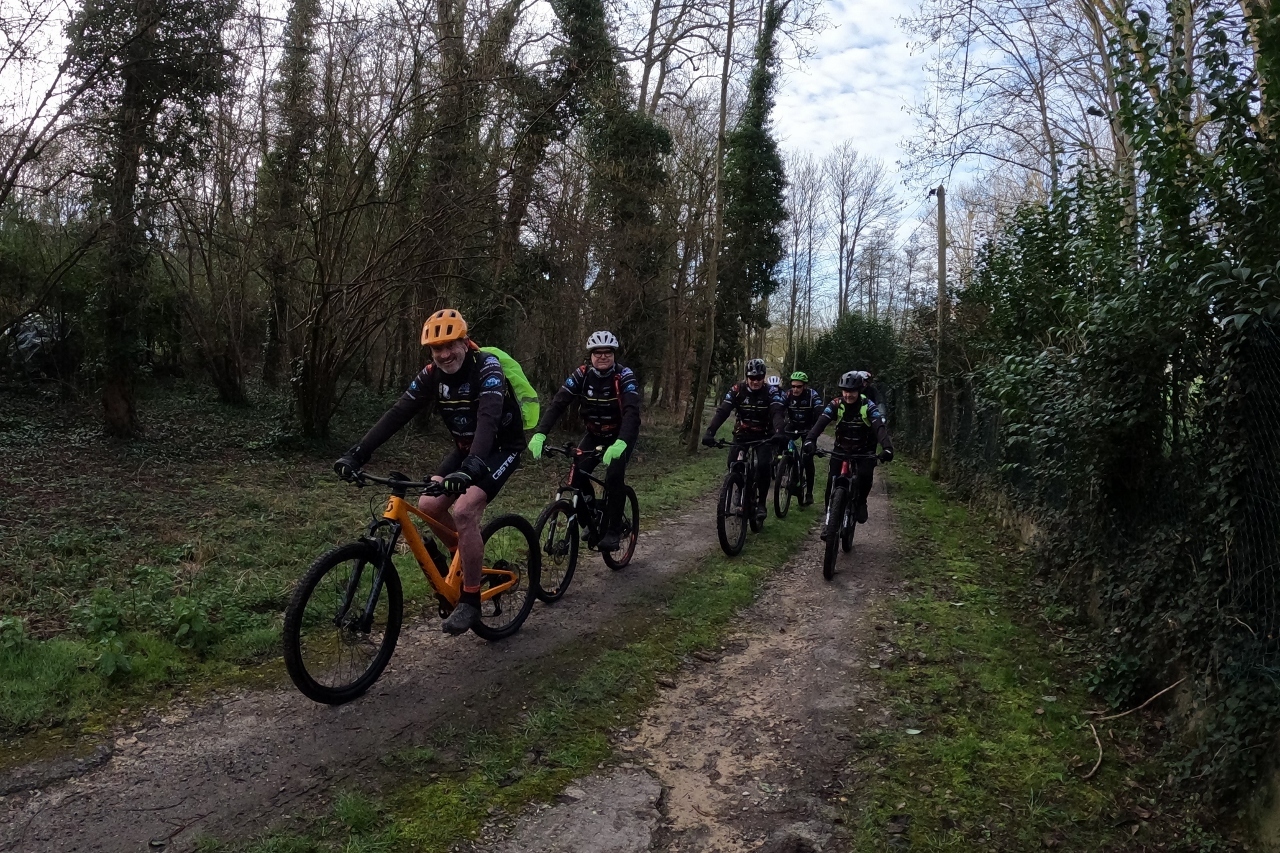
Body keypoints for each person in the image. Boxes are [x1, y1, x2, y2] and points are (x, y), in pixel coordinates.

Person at [333, 309, 527, 635]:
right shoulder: (431, 375)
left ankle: (470, 600)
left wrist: (472, 467)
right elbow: (398, 413)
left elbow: (489, 419)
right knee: (428, 506)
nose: (444, 354)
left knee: (464, 511)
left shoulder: (487, 368)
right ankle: (463, 559)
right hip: (465, 450)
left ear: (465, 342)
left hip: (499, 449)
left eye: (450, 345)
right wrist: (358, 453)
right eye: (437, 348)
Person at [527, 331, 641, 552]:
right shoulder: (581, 375)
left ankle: (614, 530)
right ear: (590, 356)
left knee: (614, 476)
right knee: (576, 476)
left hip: (620, 435)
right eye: (597, 353)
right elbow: (558, 403)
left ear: (614, 354)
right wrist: (541, 433)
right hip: (594, 433)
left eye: (607, 352)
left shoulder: (624, 376)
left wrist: (621, 442)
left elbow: (631, 412)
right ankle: (592, 517)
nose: (603, 356)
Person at [804, 370, 894, 538]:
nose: (848, 395)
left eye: (852, 391)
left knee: (865, 475)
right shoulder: (836, 404)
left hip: (864, 450)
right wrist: (810, 440)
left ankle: (861, 502)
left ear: (859, 391)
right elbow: (821, 423)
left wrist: (887, 447)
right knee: (832, 481)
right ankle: (829, 521)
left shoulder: (868, 406)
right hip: (841, 448)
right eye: (845, 391)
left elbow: (879, 428)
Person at [701, 358, 785, 523]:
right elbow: (723, 411)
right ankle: (739, 488)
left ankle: (761, 503)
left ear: (763, 378)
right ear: (746, 377)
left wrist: (779, 432)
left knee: (763, 465)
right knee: (733, 463)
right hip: (742, 434)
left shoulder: (771, 392)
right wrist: (710, 432)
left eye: (759, 378)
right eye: (752, 378)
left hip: (764, 435)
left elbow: (777, 412)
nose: (755, 381)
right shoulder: (737, 390)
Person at [782, 371, 824, 506]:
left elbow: (820, 412)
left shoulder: (812, 395)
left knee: (807, 457)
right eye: (793, 386)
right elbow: (778, 408)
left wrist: (816, 428)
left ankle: (809, 493)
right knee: (781, 441)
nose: (795, 389)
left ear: (805, 386)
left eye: (799, 386)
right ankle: (789, 465)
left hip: (808, 428)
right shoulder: (788, 395)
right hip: (793, 425)